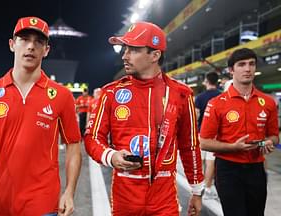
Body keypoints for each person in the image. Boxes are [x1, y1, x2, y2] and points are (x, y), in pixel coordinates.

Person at [0, 16, 82, 216]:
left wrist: (69, 191)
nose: (31, 46)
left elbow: (73, 145)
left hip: (44, 202)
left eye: (39, 42)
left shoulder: (62, 95)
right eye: (24, 39)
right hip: (2, 201)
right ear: (12, 44)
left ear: (46, 50)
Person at [85, 21, 204, 216]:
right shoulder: (111, 93)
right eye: (125, 49)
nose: (125, 55)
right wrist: (111, 156)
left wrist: (197, 191)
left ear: (155, 55)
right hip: (125, 198)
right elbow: (92, 137)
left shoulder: (181, 94)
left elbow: (189, 145)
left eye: (133, 50)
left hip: (164, 201)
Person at [200, 48, 279, 216]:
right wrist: (233, 147)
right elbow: (204, 141)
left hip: (256, 169)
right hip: (228, 170)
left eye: (251, 64)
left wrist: (270, 142)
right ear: (231, 70)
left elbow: (274, 135)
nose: (248, 69)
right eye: (241, 64)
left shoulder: (268, 102)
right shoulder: (216, 103)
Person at [195, 71, 220, 199]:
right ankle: (208, 187)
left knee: (201, 160)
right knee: (211, 162)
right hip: (216, 135)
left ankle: (200, 186)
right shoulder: (222, 96)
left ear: (206, 81)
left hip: (201, 132)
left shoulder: (200, 97)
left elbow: (196, 115)